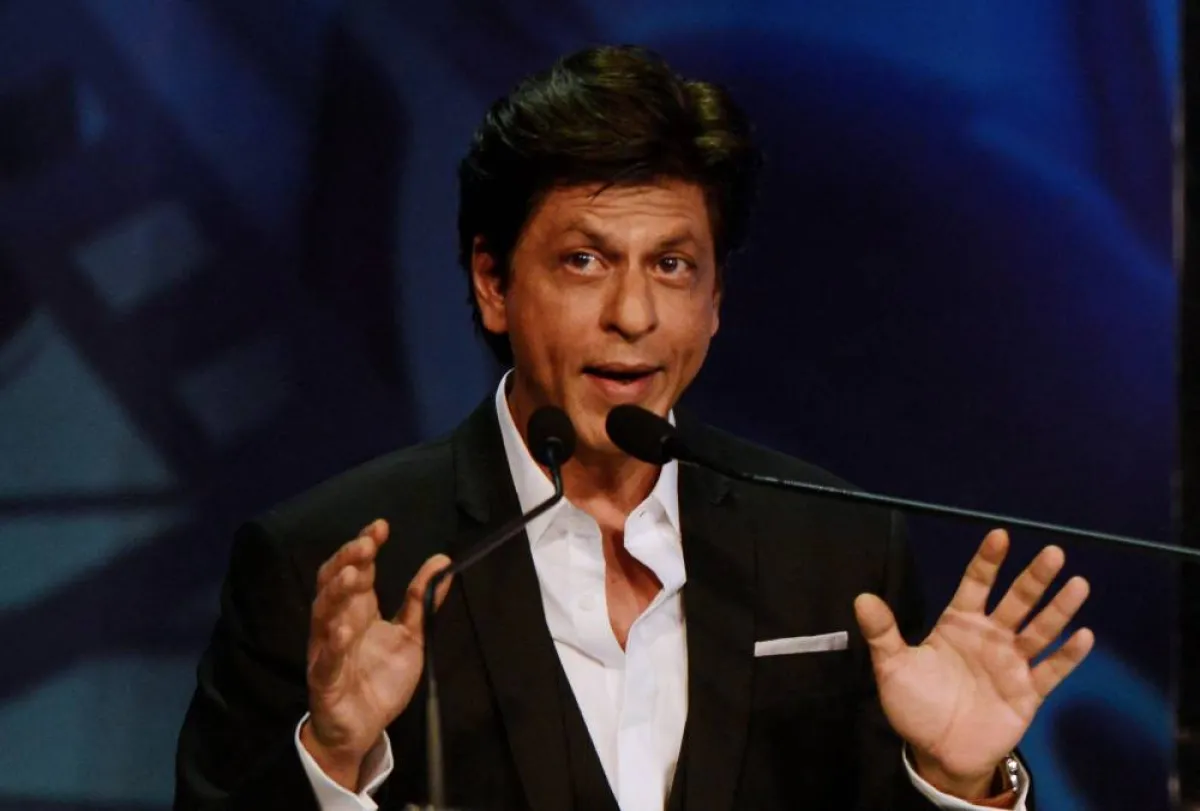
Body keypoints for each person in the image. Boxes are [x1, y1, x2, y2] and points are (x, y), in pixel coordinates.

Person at [174, 45, 1093, 811]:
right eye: (584, 260)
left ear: (716, 300)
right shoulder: (326, 565)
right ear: (493, 282)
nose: (634, 314)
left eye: (673, 265)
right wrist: (333, 759)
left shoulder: (837, 548)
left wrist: (957, 781)